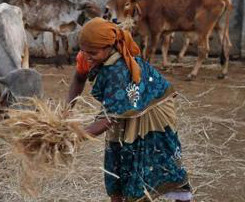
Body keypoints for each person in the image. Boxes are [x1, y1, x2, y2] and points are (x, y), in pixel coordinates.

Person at [67, 18, 192, 202]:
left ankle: (183, 198)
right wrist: (66, 110)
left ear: (109, 46)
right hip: (123, 110)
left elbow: (109, 119)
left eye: (92, 53)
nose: (87, 57)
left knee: (159, 158)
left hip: (153, 112)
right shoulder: (88, 54)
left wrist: (75, 136)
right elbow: (79, 78)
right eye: (85, 51)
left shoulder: (119, 70)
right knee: (117, 160)